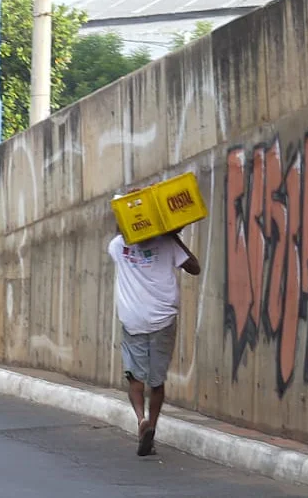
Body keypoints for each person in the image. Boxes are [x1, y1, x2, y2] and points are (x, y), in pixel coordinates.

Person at [107, 192, 201, 457]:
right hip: (163, 319)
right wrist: (172, 235)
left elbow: (120, 227)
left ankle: (140, 421)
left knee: (135, 377)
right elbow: (195, 267)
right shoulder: (167, 243)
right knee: (157, 381)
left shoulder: (118, 245)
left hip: (133, 319)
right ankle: (153, 426)